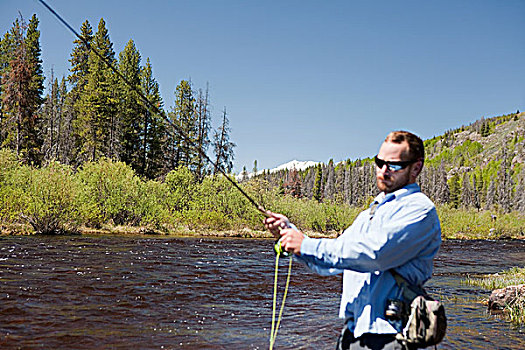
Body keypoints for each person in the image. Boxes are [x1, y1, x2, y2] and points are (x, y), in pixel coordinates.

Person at [264, 131, 441, 350]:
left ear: (415, 168)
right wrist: (289, 235)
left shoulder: (420, 210)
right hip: (352, 335)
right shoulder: (367, 216)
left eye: (393, 165)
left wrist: (306, 244)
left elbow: (375, 254)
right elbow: (331, 262)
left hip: (392, 338)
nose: (383, 171)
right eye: (379, 162)